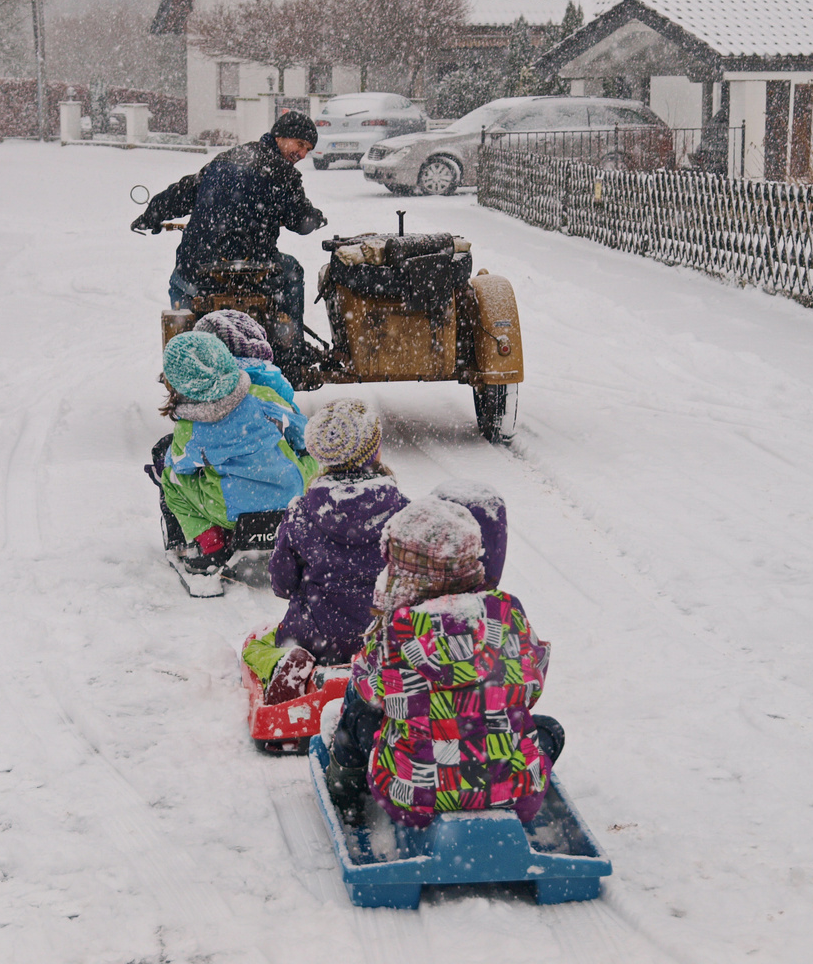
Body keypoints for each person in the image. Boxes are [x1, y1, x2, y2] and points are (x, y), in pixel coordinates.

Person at [325, 497, 563, 828]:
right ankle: (498, 784)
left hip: (416, 799)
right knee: (548, 729)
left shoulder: (396, 633)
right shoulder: (508, 613)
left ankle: (343, 789)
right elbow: (532, 686)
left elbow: (370, 693)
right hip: (514, 796)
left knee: (358, 717)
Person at [243, 399, 408, 703]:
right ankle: (384, 673)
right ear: (376, 450)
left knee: (257, 645)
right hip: (384, 638)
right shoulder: (403, 512)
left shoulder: (301, 513)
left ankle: (289, 663)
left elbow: (281, 583)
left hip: (317, 638)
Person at [131, 112, 327, 341]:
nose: (302, 154)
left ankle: (183, 343)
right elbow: (300, 222)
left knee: (180, 280)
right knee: (292, 271)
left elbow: (184, 192)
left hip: (199, 269)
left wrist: (152, 214)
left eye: (308, 150)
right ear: (280, 136)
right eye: (300, 144)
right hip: (253, 272)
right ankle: (293, 351)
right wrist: (315, 217)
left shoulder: (226, 158)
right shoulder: (282, 173)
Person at [157, 331, 316, 571]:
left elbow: (180, 465)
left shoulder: (189, 429)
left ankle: (211, 545)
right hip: (292, 494)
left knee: (171, 478)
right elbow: (304, 432)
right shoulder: (263, 397)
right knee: (314, 459)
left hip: (232, 510)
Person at [193, 309, 304, 452]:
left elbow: (184, 452)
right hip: (273, 466)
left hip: (213, 469)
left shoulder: (198, 389)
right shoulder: (272, 388)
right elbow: (302, 437)